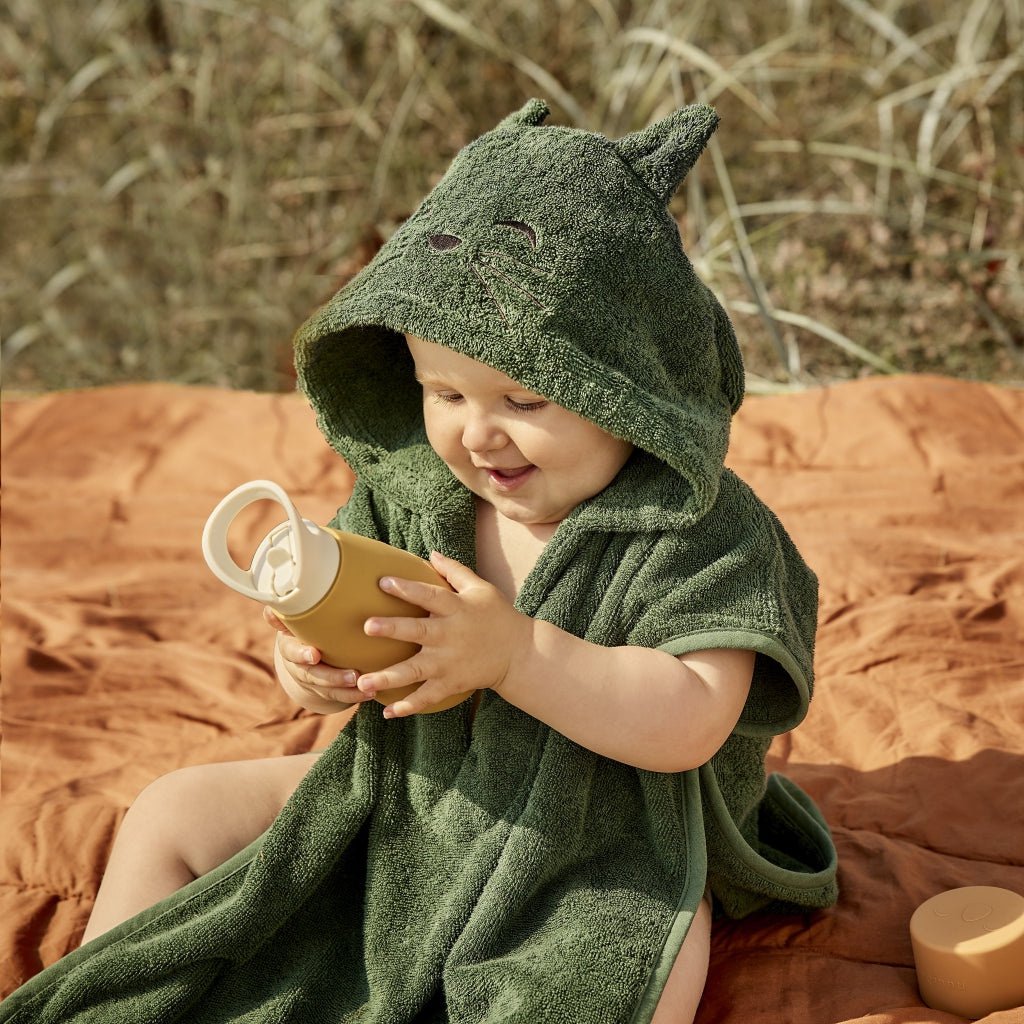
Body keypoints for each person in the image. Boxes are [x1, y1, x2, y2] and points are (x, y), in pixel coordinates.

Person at [7, 99, 837, 1024]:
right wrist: (313, 671)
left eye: (524, 398)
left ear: (631, 386)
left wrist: (517, 655)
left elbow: (690, 723)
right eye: (443, 391)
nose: (478, 432)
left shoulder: (696, 532)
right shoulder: (414, 497)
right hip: (407, 793)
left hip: (609, 845)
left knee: (617, 982)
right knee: (171, 812)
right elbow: (354, 640)